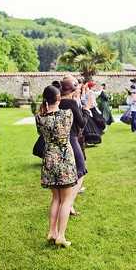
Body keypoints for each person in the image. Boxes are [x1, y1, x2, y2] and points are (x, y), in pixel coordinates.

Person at [36, 85, 79, 248]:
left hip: (49, 159)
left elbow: (41, 133)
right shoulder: (67, 114)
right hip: (64, 159)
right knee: (66, 200)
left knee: (55, 198)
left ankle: (52, 232)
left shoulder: (39, 117)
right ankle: (60, 236)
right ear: (59, 98)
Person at [59, 76, 90, 216]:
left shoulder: (57, 101)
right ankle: (68, 203)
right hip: (71, 139)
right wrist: (86, 109)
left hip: (58, 141)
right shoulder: (70, 103)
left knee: (66, 173)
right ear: (73, 88)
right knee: (81, 169)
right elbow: (82, 123)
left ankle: (65, 203)